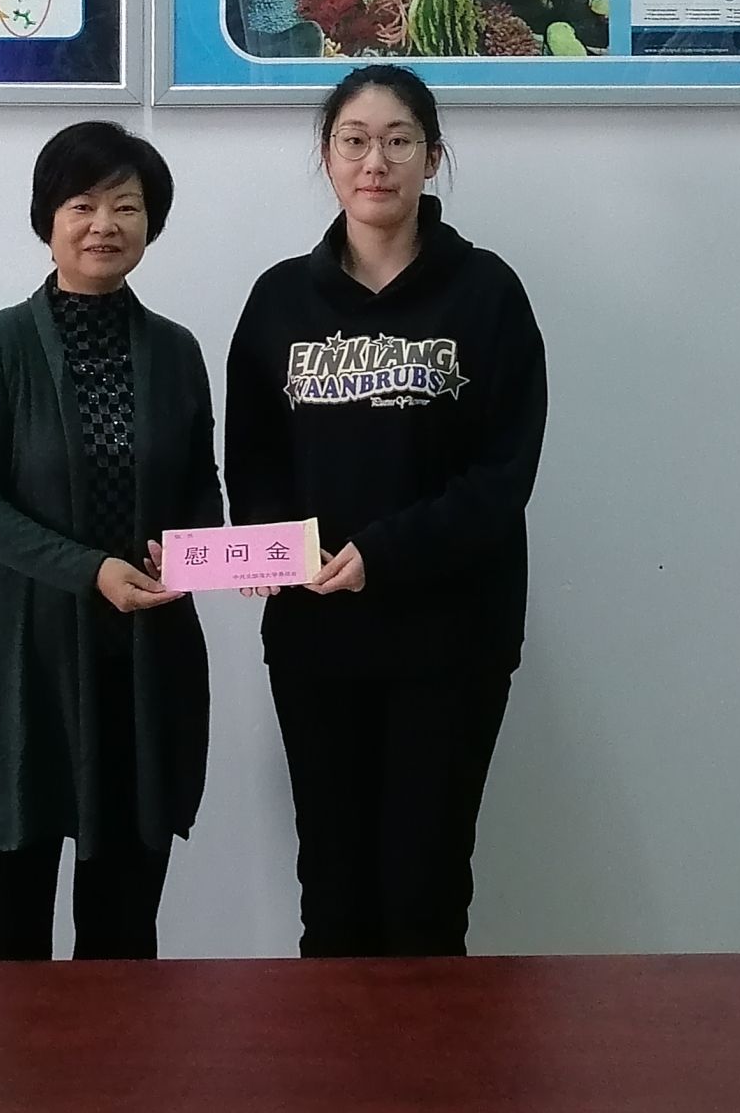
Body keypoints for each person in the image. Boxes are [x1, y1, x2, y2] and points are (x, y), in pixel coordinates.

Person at [225, 63, 549, 958]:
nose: (376, 161)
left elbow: (502, 474)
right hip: (316, 640)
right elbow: (252, 457)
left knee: (425, 891)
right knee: (332, 891)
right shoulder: (279, 299)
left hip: (452, 639)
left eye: (399, 140)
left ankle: (431, 1058)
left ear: (432, 158)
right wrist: (268, 543)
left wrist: (383, 552)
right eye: (355, 141)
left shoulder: (486, 292)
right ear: (327, 156)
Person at [0, 121, 223, 961]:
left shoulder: (176, 351)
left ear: (150, 222)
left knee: (123, 938)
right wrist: (91, 568)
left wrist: (203, 551)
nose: (105, 224)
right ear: (48, 219)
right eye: (82, 204)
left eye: (126, 206)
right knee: (6, 943)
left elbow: (198, 484)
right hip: (20, 667)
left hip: (140, 667)